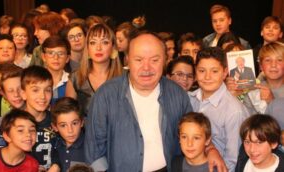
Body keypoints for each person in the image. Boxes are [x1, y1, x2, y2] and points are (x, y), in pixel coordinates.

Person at [85, 31, 227, 172]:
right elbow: (94, 150)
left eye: (154, 60)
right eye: (139, 60)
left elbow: (196, 130)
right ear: (127, 60)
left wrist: (211, 150)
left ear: (165, 60)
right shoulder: (105, 96)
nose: (146, 68)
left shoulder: (177, 94)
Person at [189, 47, 250, 171]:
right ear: (195, 71)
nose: (207, 77)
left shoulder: (234, 110)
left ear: (225, 72)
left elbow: (233, 160)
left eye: (214, 71)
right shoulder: (189, 98)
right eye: (202, 71)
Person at [65, 23, 122, 116]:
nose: (98, 48)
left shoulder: (125, 78)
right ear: (87, 48)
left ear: (113, 47)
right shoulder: (75, 78)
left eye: (105, 42)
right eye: (93, 42)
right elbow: (68, 117)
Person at [20, 65, 55, 170]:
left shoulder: (56, 121)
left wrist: (57, 166)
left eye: (47, 90)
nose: (43, 96)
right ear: (23, 94)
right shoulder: (13, 123)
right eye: (35, 90)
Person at [48, 97, 85, 172]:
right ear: (55, 127)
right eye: (63, 125)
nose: (70, 130)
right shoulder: (54, 143)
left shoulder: (91, 147)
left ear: (82, 122)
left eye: (74, 123)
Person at [41, 35, 70, 105]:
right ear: (43, 57)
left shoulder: (72, 80)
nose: (56, 58)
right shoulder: (35, 79)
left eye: (61, 54)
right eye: (51, 53)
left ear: (67, 58)